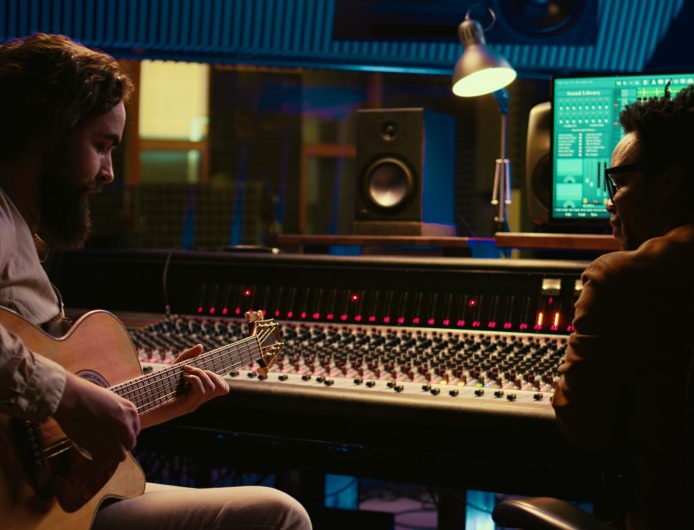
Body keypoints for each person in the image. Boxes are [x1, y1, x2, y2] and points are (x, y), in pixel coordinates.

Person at [0, 33, 311, 530]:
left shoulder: (21, 231)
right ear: (46, 131)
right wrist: (68, 395)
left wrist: (154, 403)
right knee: (277, 516)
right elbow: (56, 398)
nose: (109, 173)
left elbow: (48, 431)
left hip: (45, 500)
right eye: (101, 146)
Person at [552, 84, 694, 530]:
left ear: (668, 181)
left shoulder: (621, 277)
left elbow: (584, 430)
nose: (610, 201)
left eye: (619, 182)